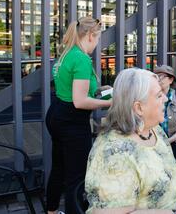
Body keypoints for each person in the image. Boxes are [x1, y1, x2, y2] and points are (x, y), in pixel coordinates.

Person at [85, 68, 176, 213]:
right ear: (139, 108)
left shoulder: (154, 130)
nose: (165, 98)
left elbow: (171, 174)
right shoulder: (114, 152)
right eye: (159, 96)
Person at [45, 16, 112, 214]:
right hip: (72, 121)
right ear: (91, 35)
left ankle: (51, 211)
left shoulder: (67, 54)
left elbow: (72, 89)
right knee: (77, 176)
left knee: (59, 167)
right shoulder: (82, 59)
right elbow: (80, 101)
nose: (98, 42)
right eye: (98, 37)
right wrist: (111, 102)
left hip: (57, 114)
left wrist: (99, 91)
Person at [154, 65, 176, 160]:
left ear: (171, 80)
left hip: (175, 144)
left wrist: (168, 141)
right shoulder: (150, 97)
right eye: (156, 77)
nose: (158, 80)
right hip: (154, 143)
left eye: (162, 77)